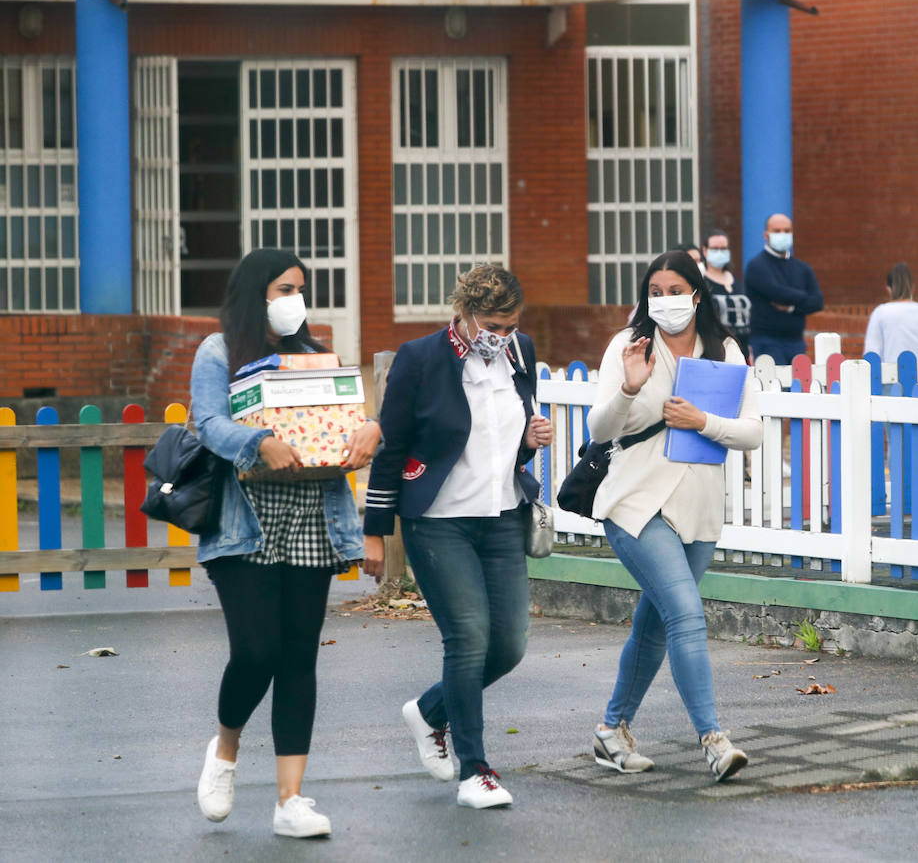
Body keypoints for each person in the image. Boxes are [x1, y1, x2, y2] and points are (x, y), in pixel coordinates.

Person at [192, 248, 381, 839]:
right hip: (243, 522)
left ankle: (291, 799)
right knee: (256, 652)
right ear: (254, 292)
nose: (292, 299)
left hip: (312, 515)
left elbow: (344, 416)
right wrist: (257, 441)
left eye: (299, 288)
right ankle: (225, 748)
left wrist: (370, 429)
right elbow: (209, 423)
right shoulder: (219, 350)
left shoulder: (313, 354)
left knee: (299, 657)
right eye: (281, 288)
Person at [361, 265, 552, 810]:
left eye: (512, 323)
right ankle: (476, 771)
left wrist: (531, 441)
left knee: (508, 646)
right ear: (464, 314)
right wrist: (376, 534)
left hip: (502, 517)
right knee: (468, 639)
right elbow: (391, 450)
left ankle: (428, 711)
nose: (503, 333)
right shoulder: (420, 359)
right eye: (493, 323)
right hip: (438, 521)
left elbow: (505, 445)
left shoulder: (521, 352)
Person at [587, 249, 762, 782]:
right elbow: (599, 429)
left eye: (674, 290)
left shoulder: (725, 350)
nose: (664, 301)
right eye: (654, 291)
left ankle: (611, 730)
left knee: (656, 625)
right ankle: (712, 739)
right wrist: (629, 387)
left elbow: (752, 431)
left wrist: (703, 420)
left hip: (699, 507)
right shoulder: (628, 345)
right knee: (685, 614)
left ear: (697, 294)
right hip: (636, 503)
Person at [744, 213, 823, 367]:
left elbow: (818, 301)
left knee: (798, 387)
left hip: (796, 342)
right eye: (777, 231)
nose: (783, 235)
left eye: (787, 231)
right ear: (766, 235)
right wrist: (804, 297)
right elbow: (776, 292)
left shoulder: (802, 268)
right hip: (766, 341)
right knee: (775, 387)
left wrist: (791, 307)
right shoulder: (757, 266)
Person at [863, 262, 918, 366]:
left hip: (892, 377)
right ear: (913, 287)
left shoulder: (880, 313)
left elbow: (872, 351)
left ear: (888, 289)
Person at [702, 228, 751, 357]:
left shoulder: (735, 280)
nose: (719, 252)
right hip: (718, 350)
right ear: (705, 251)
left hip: (742, 349)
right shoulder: (703, 282)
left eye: (723, 248)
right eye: (715, 248)